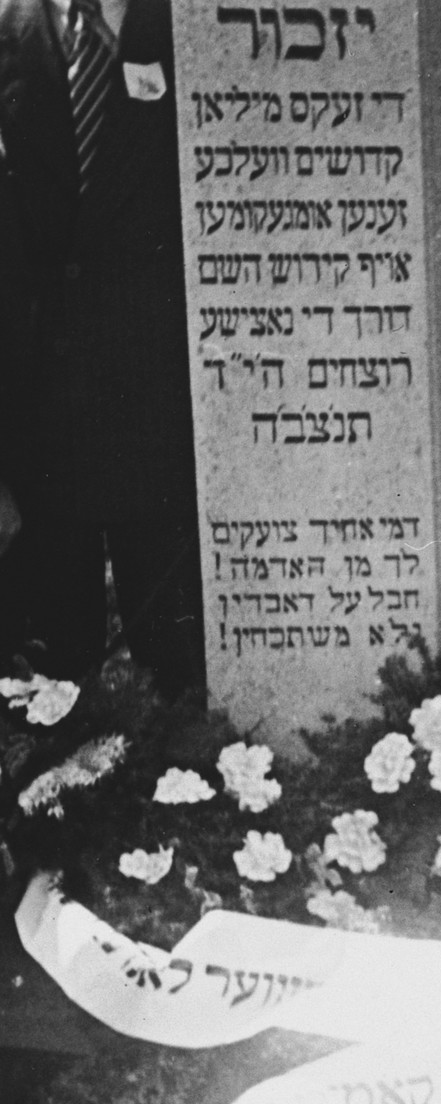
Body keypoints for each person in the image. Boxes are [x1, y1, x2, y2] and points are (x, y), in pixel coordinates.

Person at [0, 0, 205, 700]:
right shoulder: (10, 31)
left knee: (177, 662)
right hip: (41, 412)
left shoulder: (187, 23)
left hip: (159, 399)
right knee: (54, 674)